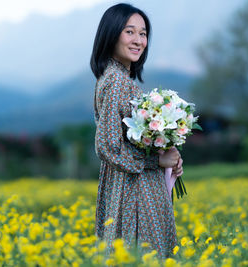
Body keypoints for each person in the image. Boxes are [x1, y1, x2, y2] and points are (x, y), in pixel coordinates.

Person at [90, 3, 183, 259]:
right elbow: (107, 146)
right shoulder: (117, 83)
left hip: (126, 184)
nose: (138, 40)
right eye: (129, 32)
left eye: (143, 34)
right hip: (135, 190)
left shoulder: (112, 78)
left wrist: (168, 150)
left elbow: (126, 142)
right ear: (111, 34)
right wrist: (156, 160)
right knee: (145, 255)